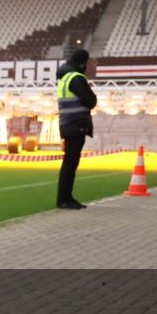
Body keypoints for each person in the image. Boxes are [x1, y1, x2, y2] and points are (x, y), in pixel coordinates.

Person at [55, 49, 97, 209]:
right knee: (70, 163)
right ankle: (65, 199)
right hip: (76, 124)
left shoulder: (64, 78)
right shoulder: (76, 78)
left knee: (69, 162)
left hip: (67, 124)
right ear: (83, 62)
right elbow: (91, 100)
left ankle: (65, 197)